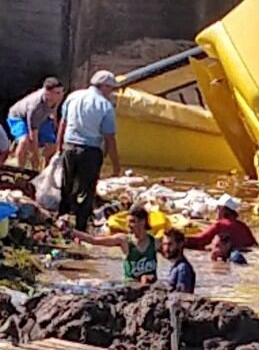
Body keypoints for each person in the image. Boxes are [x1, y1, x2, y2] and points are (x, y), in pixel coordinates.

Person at [57, 70, 121, 232]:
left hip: (69, 147)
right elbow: (109, 138)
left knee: (67, 186)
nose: (111, 92)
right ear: (104, 87)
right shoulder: (105, 106)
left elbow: (62, 124)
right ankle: (80, 228)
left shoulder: (73, 96)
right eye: (111, 88)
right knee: (87, 191)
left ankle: (62, 220)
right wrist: (115, 165)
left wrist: (59, 149)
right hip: (90, 152)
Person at [74, 206, 157, 284]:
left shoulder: (155, 242)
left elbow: (169, 256)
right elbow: (94, 240)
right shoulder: (124, 240)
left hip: (151, 289)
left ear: (143, 221)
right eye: (128, 222)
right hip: (131, 286)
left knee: (146, 278)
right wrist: (72, 231)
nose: (128, 226)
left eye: (132, 222)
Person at [6, 77, 64, 170]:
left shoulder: (57, 97)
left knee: (53, 145)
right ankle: (20, 170)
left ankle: (45, 171)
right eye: (57, 93)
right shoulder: (35, 106)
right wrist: (35, 156)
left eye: (62, 91)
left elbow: (54, 109)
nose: (61, 95)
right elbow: (33, 134)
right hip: (19, 117)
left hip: (43, 118)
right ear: (47, 94)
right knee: (25, 141)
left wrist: (54, 122)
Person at [185, 194, 257, 252]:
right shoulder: (243, 226)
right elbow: (254, 245)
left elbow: (201, 240)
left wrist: (179, 239)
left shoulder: (220, 225)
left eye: (217, 208)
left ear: (222, 209)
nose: (216, 211)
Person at [162, 228, 195, 293]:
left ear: (180, 244)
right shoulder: (176, 266)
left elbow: (182, 296)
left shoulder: (183, 268)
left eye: (170, 244)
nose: (166, 249)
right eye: (164, 244)